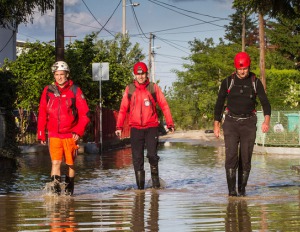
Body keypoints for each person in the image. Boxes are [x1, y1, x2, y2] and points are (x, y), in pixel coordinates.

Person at [214, 52, 271, 197]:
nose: (242, 71)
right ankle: (232, 193)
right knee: (231, 157)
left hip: (249, 124)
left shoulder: (255, 82)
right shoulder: (228, 81)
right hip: (231, 123)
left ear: (248, 66)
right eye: (240, 69)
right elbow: (219, 103)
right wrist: (216, 123)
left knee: (246, 159)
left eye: (245, 68)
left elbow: (265, 102)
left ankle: (242, 190)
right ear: (235, 68)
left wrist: (266, 121)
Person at [115, 61, 175, 190]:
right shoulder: (130, 89)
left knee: (152, 156)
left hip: (151, 127)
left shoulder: (153, 88)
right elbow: (122, 109)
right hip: (136, 128)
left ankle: (156, 185)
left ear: (147, 74)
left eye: (143, 74)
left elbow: (164, 105)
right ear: (135, 75)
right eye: (138, 74)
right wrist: (119, 127)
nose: (141, 77)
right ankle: (140, 189)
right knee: (137, 159)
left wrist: (169, 123)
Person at [37, 61, 90, 196]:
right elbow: (42, 112)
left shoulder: (75, 90)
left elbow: (85, 114)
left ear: (67, 74)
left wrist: (78, 131)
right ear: (54, 76)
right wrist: (41, 133)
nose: (59, 77)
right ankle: (55, 195)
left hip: (70, 134)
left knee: (70, 164)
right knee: (55, 163)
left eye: (62, 74)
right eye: (56, 75)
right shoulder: (48, 91)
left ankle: (69, 193)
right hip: (54, 134)